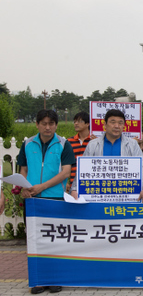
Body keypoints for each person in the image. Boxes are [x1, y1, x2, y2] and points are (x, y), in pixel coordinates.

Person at [17, 109, 75, 295]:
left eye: (51, 123)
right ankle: (38, 280)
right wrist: (25, 187)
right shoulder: (27, 144)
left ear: (56, 125)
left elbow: (65, 173)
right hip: (33, 200)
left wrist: (42, 187)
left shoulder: (63, 144)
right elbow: (22, 170)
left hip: (55, 198)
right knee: (35, 240)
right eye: (44, 123)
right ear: (37, 124)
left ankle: (55, 279)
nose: (47, 127)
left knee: (56, 239)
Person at [70, 109, 143, 202]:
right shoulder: (93, 144)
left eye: (120, 123)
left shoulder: (132, 144)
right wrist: (75, 189)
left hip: (124, 194)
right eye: (113, 122)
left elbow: (142, 167)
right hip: (98, 194)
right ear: (105, 125)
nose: (117, 126)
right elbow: (83, 169)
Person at [66, 111, 96, 191]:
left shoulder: (95, 141)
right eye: (75, 121)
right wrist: (66, 182)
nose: (76, 124)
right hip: (73, 184)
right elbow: (64, 164)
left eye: (80, 121)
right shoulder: (68, 142)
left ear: (88, 124)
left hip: (91, 184)